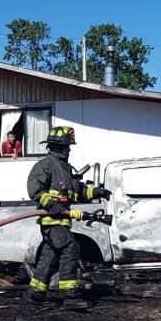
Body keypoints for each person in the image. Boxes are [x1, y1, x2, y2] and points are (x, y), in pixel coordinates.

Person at [25, 126, 111, 309]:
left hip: (61, 222)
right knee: (70, 249)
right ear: (60, 147)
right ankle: (70, 296)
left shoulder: (65, 168)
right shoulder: (46, 165)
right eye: (68, 147)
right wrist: (52, 205)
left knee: (50, 255)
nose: (69, 150)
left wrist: (97, 191)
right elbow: (35, 189)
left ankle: (36, 292)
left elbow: (77, 190)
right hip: (52, 220)